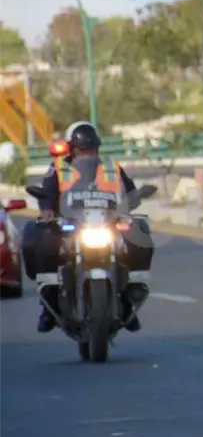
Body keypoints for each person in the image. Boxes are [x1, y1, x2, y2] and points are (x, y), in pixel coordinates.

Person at [21, 121, 155, 333]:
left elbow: (129, 191)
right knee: (42, 240)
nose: (87, 153)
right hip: (71, 224)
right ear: (71, 149)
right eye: (82, 149)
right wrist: (47, 210)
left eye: (91, 149)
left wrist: (134, 199)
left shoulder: (111, 167)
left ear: (98, 147)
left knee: (138, 234)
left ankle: (129, 300)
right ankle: (49, 305)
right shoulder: (58, 168)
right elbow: (47, 193)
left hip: (106, 222)